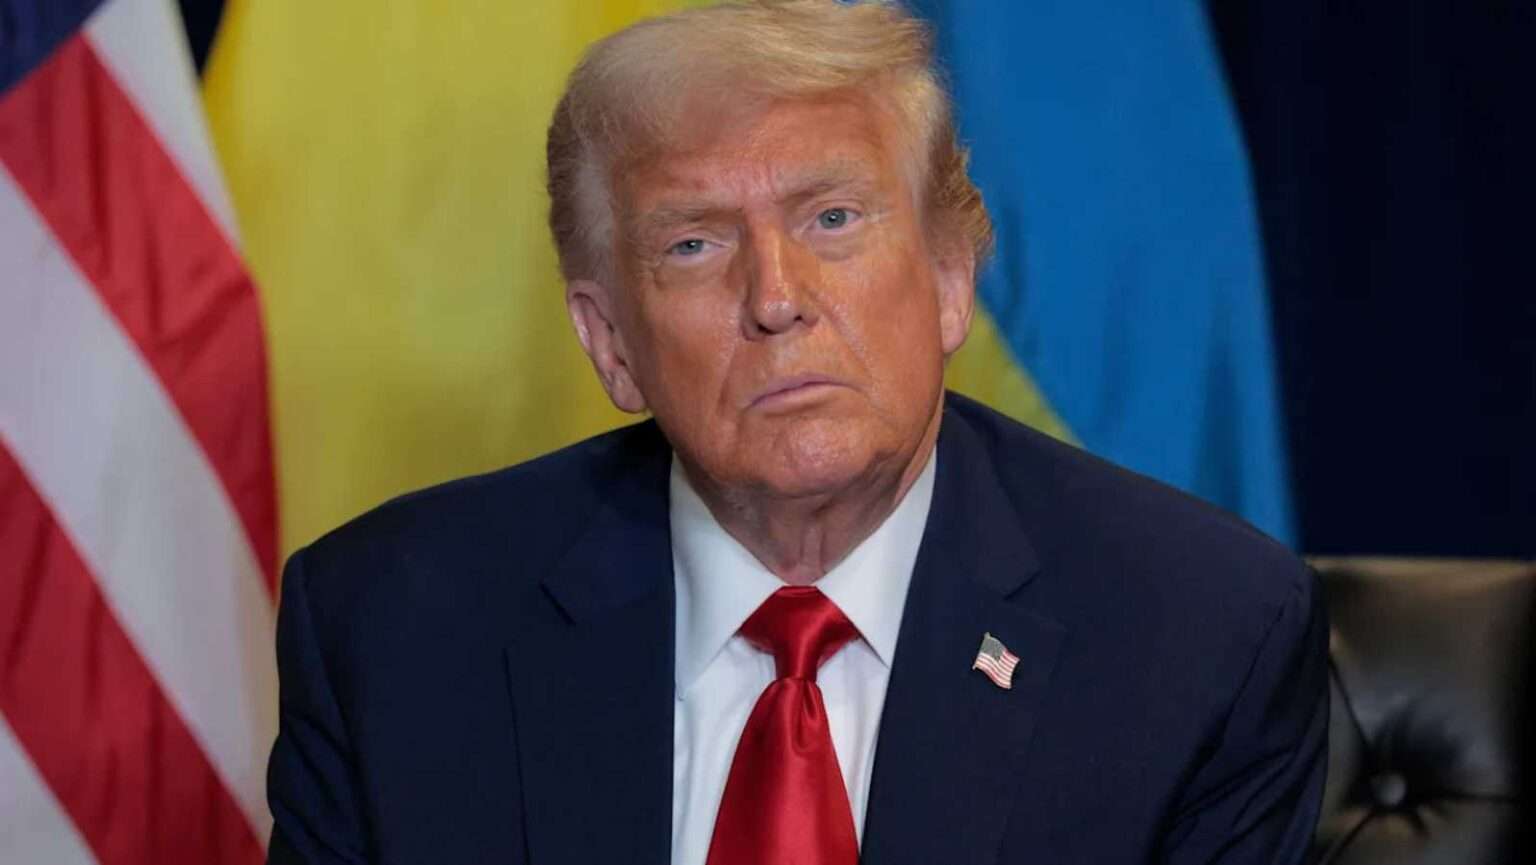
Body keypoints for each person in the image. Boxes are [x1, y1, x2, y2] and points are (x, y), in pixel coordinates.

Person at [264, 1, 1328, 863]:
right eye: (692, 243)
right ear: (609, 342)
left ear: (952, 278)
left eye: (833, 218)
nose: (777, 296)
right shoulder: (392, 629)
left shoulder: (1197, 633)